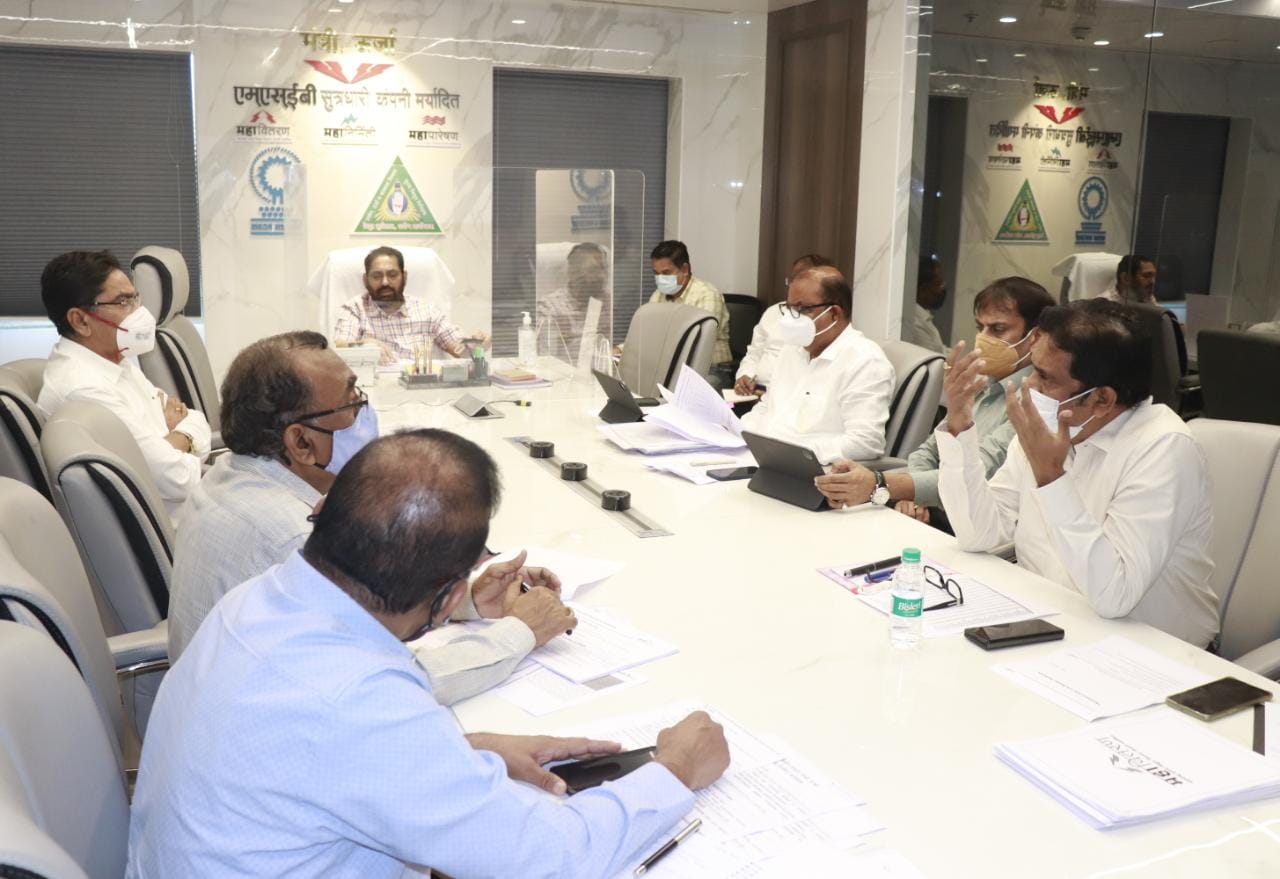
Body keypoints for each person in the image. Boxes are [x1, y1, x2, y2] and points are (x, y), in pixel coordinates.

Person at [128, 429, 730, 877]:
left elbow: (309, 753)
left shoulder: (260, 599)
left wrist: (464, 753)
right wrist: (674, 769)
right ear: (447, 600)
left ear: (323, 512)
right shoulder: (358, 706)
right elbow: (551, 859)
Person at [167, 332, 574, 704]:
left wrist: (465, 601)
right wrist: (520, 632)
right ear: (302, 442)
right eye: (352, 402)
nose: (367, 412)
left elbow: (370, 617)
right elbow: (392, 682)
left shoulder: (230, 473)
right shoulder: (297, 543)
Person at [935, 299, 1218, 646]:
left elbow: (1115, 596)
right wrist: (959, 424)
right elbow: (979, 534)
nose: (1029, 387)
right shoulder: (1050, 423)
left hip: (1152, 652)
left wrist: (1051, 477)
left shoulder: (1164, 448)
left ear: (1102, 400)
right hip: (1047, 623)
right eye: (1033, 369)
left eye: (1045, 377)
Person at [816, 277, 1055, 523]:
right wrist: (915, 497)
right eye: (980, 327)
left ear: (1035, 336)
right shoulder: (982, 385)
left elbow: (979, 472)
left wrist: (880, 484)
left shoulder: (1037, 400)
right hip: (936, 512)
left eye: (998, 329)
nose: (983, 339)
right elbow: (926, 452)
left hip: (977, 525)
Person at [36, 250, 211, 523]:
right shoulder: (83, 389)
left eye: (135, 298)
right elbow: (178, 479)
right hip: (179, 527)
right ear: (80, 321)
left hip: (197, 504)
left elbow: (195, 418)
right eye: (123, 301)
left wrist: (173, 440)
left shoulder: (115, 361)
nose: (139, 312)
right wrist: (185, 438)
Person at [740, 268, 894, 463]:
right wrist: (739, 433)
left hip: (811, 470)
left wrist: (796, 454)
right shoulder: (792, 348)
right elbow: (767, 407)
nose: (791, 318)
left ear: (835, 313)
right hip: (762, 459)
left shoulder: (865, 361)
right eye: (789, 308)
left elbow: (865, 442)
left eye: (803, 309)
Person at [333, 245, 486, 365]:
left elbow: (460, 351)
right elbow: (340, 346)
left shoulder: (426, 310)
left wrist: (478, 345)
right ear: (366, 280)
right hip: (374, 389)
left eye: (392, 275)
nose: (385, 282)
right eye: (377, 276)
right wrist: (364, 345)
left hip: (420, 389)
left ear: (404, 277)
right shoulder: (355, 308)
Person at [735, 252, 837, 397]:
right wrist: (744, 377)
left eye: (802, 280)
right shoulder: (772, 312)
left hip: (785, 397)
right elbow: (753, 354)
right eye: (792, 280)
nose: (794, 286)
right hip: (752, 393)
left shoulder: (821, 323)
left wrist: (769, 395)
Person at [649, 239, 732, 365]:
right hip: (671, 363)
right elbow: (647, 333)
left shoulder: (707, 294)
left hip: (711, 367)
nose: (660, 279)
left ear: (684, 269)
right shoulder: (658, 295)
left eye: (666, 273)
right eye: (656, 273)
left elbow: (700, 339)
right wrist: (622, 350)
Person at [536, 242, 609, 360]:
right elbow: (546, 357)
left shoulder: (608, 303)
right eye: (593, 270)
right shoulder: (549, 307)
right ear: (573, 273)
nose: (602, 276)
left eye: (604, 269)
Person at [908, 255, 949, 354]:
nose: (943, 288)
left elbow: (941, 350)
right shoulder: (915, 324)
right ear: (923, 290)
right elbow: (933, 359)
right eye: (939, 284)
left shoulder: (924, 316)